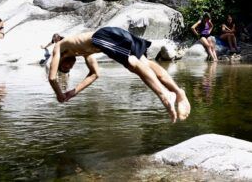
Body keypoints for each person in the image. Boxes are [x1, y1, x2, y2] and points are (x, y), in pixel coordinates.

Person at [48, 27, 191, 123]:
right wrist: (73, 92)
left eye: (64, 66)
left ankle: (165, 96)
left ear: (60, 60)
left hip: (103, 36)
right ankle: (179, 92)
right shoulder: (83, 51)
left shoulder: (59, 47)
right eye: (69, 69)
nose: (69, 66)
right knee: (146, 64)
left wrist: (59, 95)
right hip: (112, 33)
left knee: (133, 64)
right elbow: (95, 74)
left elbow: (52, 77)